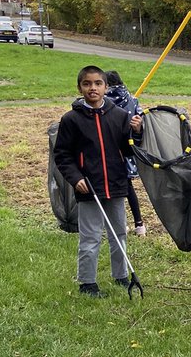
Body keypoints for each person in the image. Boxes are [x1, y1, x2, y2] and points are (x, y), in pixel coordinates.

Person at [53, 65, 143, 298]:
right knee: (91, 236)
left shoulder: (119, 116)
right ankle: (87, 282)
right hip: (89, 187)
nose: (93, 88)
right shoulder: (71, 120)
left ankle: (121, 274)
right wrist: (75, 178)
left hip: (115, 183)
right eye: (87, 84)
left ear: (105, 87)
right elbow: (62, 155)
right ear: (80, 88)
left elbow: (129, 150)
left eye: (97, 84)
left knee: (119, 233)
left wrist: (137, 132)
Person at [105, 70, 146, 237]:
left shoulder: (103, 101)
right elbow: (141, 121)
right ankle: (139, 224)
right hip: (128, 151)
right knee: (128, 187)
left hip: (109, 151)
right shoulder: (132, 99)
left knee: (112, 189)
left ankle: (119, 224)